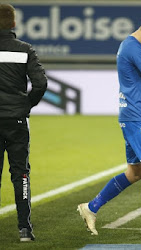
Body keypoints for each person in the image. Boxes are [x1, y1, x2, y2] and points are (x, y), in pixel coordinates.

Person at [77, 11, 141, 238]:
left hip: (137, 115)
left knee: (135, 172)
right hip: (136, 116)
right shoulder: (131, 46)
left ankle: (90, 207)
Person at [0, 4, 47, 242]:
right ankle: (24, 230)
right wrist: (26, 105)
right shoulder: (24, 50)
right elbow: (40, 84)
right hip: (16, 120)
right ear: (14, 24)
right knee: (21, 175)